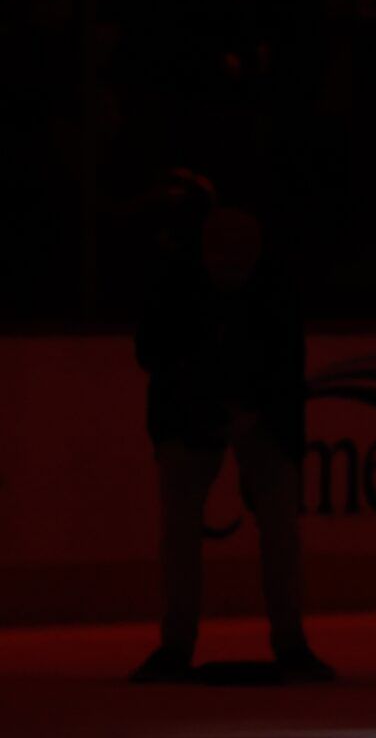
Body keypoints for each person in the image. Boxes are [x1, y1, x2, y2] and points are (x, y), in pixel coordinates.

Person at [129, 198, 332, 684]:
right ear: (203, 253)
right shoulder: (181, 286)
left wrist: (253, 412)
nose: (228, 272)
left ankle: (281, 640)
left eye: (238, 264)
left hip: (259, 415)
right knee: (188, 530)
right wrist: (213, 407)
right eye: (220, 262)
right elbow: (154, 354)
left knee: (274, 530)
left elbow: (286, 367)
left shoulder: (272, 289)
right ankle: (187, 643)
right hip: (191, 415)